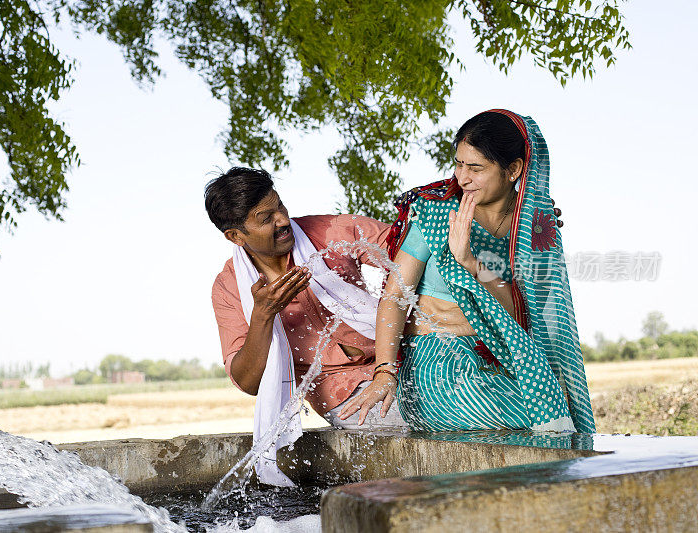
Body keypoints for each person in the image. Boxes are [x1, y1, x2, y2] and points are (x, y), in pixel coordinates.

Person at [339, 109, 595, 433]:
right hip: (437, 367)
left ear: (513, 169)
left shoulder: (533, 225)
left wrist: (470, 263)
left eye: (476, 168)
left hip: (502, 362)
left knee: (559, 415)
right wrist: (385, 371)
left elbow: (520, 314)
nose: (463, 178)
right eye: (459, 164)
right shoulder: (437, 212)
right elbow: (394, 296)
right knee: (534, 422)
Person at [206, 168, 407, 484]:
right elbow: (248, 382)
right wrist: (263, 316)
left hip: (398, 355)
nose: (283, 221)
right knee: (426, 425)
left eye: (280, 207)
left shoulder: (327, 232)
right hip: (341, 391)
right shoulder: (230, 288)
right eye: (265, 218)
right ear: (235, 235)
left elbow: (408, 248)